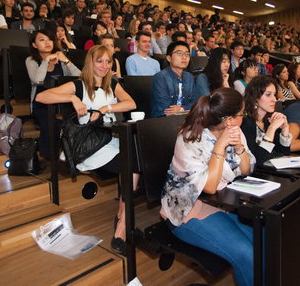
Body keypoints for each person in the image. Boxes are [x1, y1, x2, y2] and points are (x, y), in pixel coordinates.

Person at [35, 45, 136, 255]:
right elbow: (41, 97)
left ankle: (121, 216)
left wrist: (106, 108)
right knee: (132, 166)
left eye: (108, 62)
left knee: (135, 160)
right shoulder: (78, 85)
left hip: (111, 139)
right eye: (100, 61)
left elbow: (130, 103)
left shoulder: (113, 84)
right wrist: (72, 98)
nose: (104, 66)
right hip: (90, 146)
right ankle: (121, 229)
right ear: (90, 62)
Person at [161, 88, 255, 286]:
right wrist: (220, 146)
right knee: (247, 254)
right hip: (187, 210)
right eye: (242, 114)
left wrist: (239, 149)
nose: (244, 118)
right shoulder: (189, 139)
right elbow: (210, 187)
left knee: (265, 241)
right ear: (229, 119)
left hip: (224, 203)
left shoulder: (235, 132)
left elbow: (246, 170)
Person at [25, 30, 81, 158]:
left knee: (77, 121)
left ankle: (72, 155)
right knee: (52, 123)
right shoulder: (31, 60)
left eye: (49, 39)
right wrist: (46, 61)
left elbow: (79, 77)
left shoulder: (60, 60)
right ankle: (53, 156)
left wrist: (66, 60)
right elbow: (37, 80)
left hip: (62, 102)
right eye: (42, 40)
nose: (47, 42)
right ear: (34, 45)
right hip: (41, 104)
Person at [241, 76, 292, 169]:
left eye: (274, 94)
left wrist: (285, 130)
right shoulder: (245, 123)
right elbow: (258, 161)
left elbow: (283, 154)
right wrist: (272, 129)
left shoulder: (268, 120)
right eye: (268, 95)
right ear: (255, 97)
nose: (275, 99)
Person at [152, 41, 197, 117]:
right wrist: (186, 110)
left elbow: (196, 102)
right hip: (163, 121)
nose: (184, 57)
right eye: (179, 53)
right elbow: (165, 109)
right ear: (169, 58)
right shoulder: (160, 77)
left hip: (185, 118)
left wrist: (181, 109)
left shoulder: (189, 77)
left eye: (187, 54)